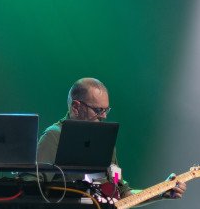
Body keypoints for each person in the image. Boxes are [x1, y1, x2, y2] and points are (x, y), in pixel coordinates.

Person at [36, 77, 185, 200]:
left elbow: (122, 192)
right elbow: (31, 187)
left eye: (106, 110)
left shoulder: (105, 141)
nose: (104, 116)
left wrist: (160, 193)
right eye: (98, 110)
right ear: (76, 107)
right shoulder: (53, 136)